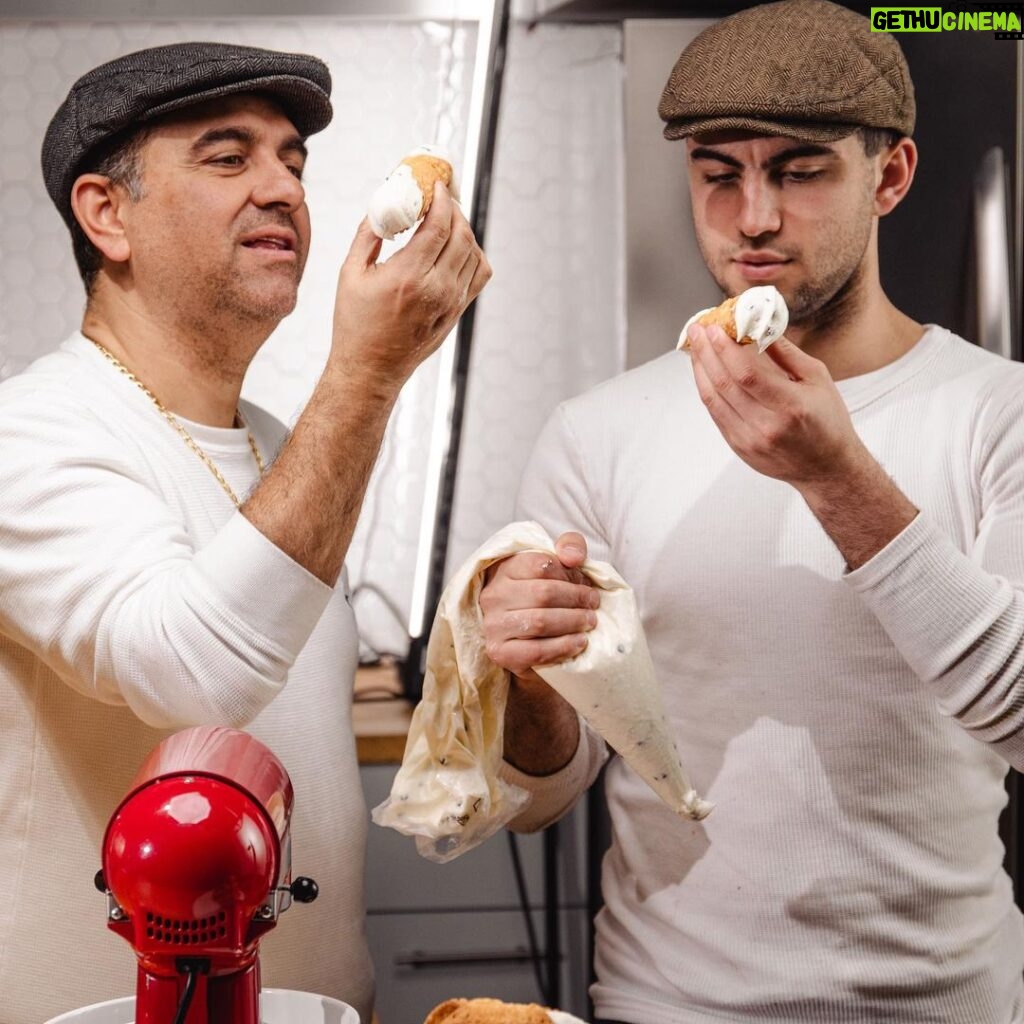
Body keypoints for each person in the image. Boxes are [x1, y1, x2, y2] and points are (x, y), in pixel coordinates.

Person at [477, 2, 1024, 1021]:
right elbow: (543, 792)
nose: (754, 217)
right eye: (719, 173)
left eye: (800, 171)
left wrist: (834, 476)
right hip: (668, 1003)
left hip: (945, 1005)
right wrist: (527, 677)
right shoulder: (599, 432)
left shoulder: (998, 412)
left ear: (890, 176)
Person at [0, 41, 490, 1023]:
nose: (284, 189)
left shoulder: (275, 442)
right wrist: (367, 374)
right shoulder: (32, 432)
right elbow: (193, 678)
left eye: (293, 162)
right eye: (229, 157)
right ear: (107, 215)